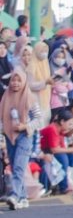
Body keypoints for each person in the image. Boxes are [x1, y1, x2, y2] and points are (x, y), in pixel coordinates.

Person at [0, 68, 44, 209]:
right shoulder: (6, 97)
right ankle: (23, 197)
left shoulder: (29, 98)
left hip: (25, 136)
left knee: (19, 166)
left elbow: (39, 119)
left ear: (24, 82)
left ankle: (14, 195)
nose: (16, 83)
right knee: (14, 166)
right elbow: (2, 119)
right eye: (13, 79)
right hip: (9, 136)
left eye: (19, 80)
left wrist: (25, 126)